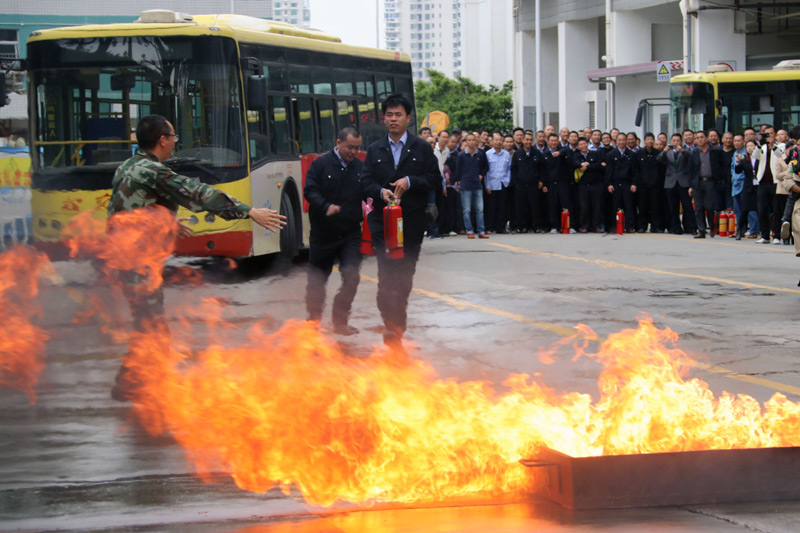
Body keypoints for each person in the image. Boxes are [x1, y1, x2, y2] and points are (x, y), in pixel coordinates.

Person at [108, 114, 286, 399]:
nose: (175, 141)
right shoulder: (153, 171)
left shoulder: (128, 167)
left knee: (147, 323)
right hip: (136, 261)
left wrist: (166, 222)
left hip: (124, 257)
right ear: (162, 140)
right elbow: (198, 192)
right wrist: (248, 211)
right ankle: (139, 386)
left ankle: (131, 383)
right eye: (173, 135)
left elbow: (127, 208)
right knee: (152, 327)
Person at [360, 94, 439, 348]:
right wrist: (379, 191)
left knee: (404, 277)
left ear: (408, 118)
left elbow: (436, 180)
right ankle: (390, 323)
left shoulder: (421, 148)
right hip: (382, 224)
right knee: (386, 278)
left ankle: (397, 327)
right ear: (384, 118)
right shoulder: (374, 149)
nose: (393, 119)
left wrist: (411, 181)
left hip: (411, 223)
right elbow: (365, 182)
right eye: (389, 115)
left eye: (398, 114)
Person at [303, 127, 364, 335]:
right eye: (350, 147)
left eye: (357, 148)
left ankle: (340, 320)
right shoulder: (320, 164)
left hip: (350, 233)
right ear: (338, 142)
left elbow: (369, 189)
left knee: (352, 277)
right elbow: (309, 190)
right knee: (317, 280)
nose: (353, 152)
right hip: (324, 233)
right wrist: (325, 205)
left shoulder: (360, 167)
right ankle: (313, 321)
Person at [690, 130, 726, 238]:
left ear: (706, 138)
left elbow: (721, 165)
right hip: (698, 182)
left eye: (702, 137)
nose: (700, 139)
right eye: (698, 138)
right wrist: (691, 185)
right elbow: (690, 169)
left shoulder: (715, 151)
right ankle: (701, 230)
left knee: (709, 206)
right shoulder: (694, 152)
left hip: (710, 181)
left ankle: (712, 226)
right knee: (698, 207)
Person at [659, 133, 695, 235]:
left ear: (681, 141)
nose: (675, 143)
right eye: (674, 141)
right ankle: (676, 227)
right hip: (670, 182)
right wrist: (663, 152)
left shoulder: (685, 151)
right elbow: (658, 159)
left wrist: (682, 151)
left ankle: (690, 227)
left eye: (677, 141)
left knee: (687, 206)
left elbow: (691, 157)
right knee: (673, 207)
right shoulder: (668, 152)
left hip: (683, 181)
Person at [454, 133, 489, 239]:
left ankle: (481, 230)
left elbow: (486, 166)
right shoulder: (461, 155)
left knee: (480, 209)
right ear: (466, 142)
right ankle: (469, 230)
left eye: (473, 140)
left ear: (476, 141)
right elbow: (458, 170)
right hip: (466, 184)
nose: (471, 142)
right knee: (467, 210)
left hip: (477, 184)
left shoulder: (481, 154)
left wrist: (481, 175)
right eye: (469, 140)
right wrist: (458, 181)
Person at [752, 125, 783, 243]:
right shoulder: (762, 147)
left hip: (776, 182)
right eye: (766, 134)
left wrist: (772, 145)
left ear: (774, 134)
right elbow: (755, 155)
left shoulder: (780, 146)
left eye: (770, 133)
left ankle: (776, 235)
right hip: (763, 182)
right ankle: (764, 235)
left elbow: (781, 155)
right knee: (762, 210)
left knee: (776, 210)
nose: (769, 136)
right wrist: (760, 144)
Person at [511, 130, 544, 233]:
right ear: (523, 140)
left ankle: (537, 226)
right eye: (526, 139)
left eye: (530, 140)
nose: (528, 142)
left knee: (535, 206)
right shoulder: (518, 153)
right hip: (520, 185)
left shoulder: (537, 153)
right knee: (520, 207)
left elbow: (542, 169)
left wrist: (541, 181)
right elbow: (513, 169)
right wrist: (515, 182)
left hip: (533, 184)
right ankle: (519, 227)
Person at [605, 133, 637, 232]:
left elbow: (635, 171)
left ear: (626, 141)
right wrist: (609, 184)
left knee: (629, 206)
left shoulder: (632, 154)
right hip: (615, 184)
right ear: (616, 141)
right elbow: (609, 171)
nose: (621, 142)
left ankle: (630, 226)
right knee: (615, 206)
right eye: (619, 140)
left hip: (627, 184)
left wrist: (634, 183)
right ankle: (615, 226)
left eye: (623, 140)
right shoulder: (611, 154)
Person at [573, 137, 606, 232]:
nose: (583, 146)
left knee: (597, 206)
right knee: (584, 207)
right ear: (578, 147)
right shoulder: (576, 155)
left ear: (587, 144)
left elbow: (599, 165)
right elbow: (575, 164)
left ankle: (596, 226)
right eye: (581, 144)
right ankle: (584, 226)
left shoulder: (594, 154)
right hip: (583, 185)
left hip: (596, 184)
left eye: (584, 143)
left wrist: (586, 166)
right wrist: (581, 165)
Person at [635, 133, 664, 233]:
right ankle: (642, 226)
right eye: (648, 139)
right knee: (642, 207)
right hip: (642, 185)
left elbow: (661, 169)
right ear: (644, 141)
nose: (650, 141)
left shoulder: (658, 153)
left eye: (651, 139)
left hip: (655, 185)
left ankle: (655, 226)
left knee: (655, 206)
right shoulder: (639, 153)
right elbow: (636, 169)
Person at [732, 135, 758, 240]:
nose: (750, 148)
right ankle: (739, 230)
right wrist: (737, 162)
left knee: (760, 209)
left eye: (752, 146)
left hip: (758, 186)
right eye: (748, 146)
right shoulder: (744, 159)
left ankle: (758, 231)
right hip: (747, 187)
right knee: (745, 209)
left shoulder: (760, 158)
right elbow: (738, 170)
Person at [485, 132, 512, 233]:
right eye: (496, 140)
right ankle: (490, 227)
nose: (498, 142)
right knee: (491, 207)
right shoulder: (487, 154)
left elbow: (509, 169)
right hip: (492, 184)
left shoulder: (506, 154)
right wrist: (487, 185)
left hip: (503, 183)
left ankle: (500, 227)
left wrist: (507, 180)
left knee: (502, 207)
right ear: (492, 141)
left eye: (500, 140)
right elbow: (486, 172)